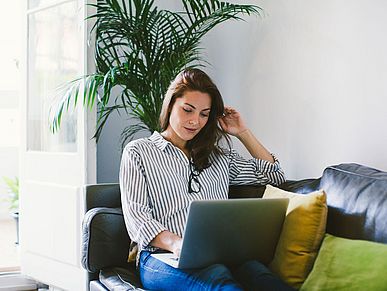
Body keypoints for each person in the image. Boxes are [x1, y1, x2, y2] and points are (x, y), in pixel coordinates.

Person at [119, 68, 293, 291]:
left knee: (262, 277)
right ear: (171, 104)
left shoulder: (218, 157)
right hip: (160, 257)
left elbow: (274, 175)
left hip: (221, 253)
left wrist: (242, 132)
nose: (195, 121)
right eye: (188, 110)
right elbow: (137, 219)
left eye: (204, 114)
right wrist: (177, 243)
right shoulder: (139, 152)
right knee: (219, 281)